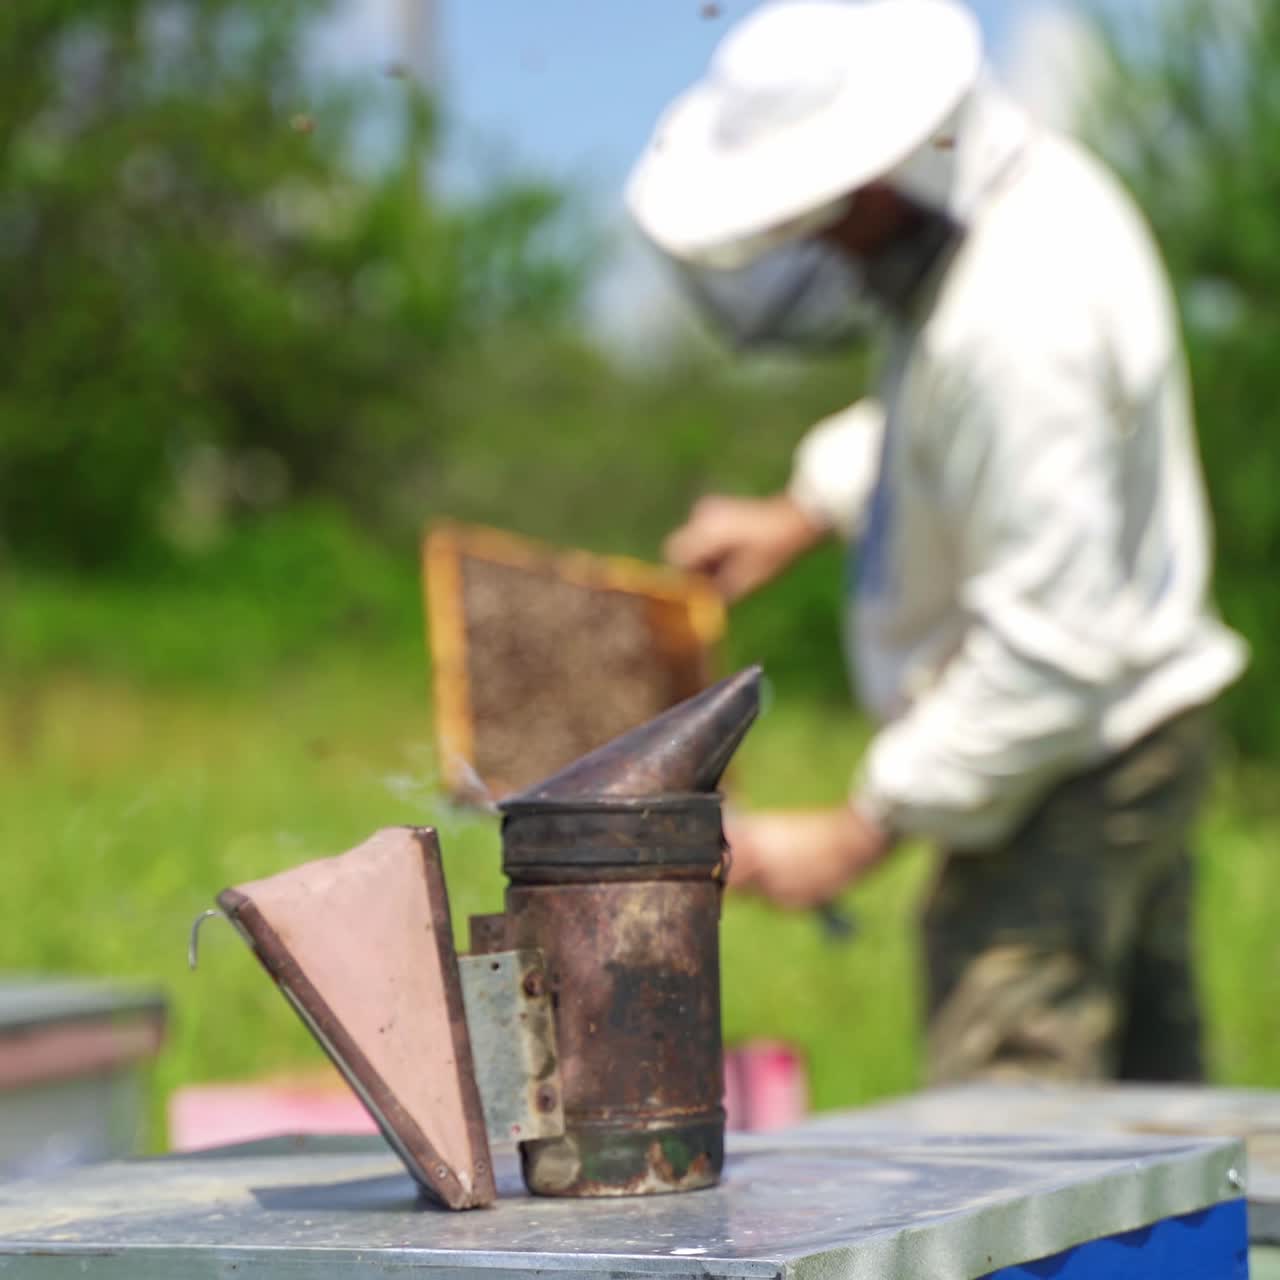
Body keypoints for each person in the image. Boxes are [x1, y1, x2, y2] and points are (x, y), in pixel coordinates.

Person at [625, 0, 1247, 1083]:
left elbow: (1049, 646)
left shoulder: (1020, 312)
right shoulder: (1011, 208)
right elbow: (945, 428)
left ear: (874, 181)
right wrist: (803, 506)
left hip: (1074, 758)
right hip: (1129, 730)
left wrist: (859, 824)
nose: (811, 241)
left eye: (816, 213)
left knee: (1007, 1140)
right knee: (1153, 1124)